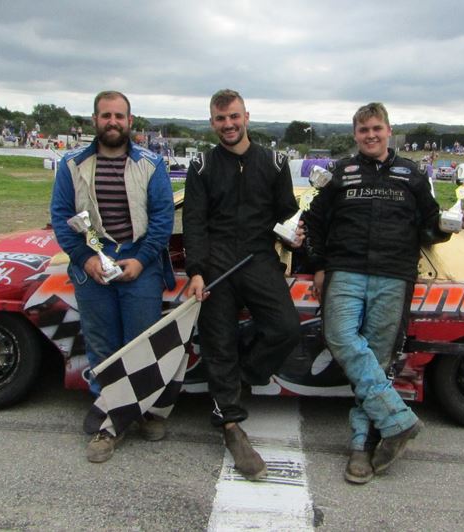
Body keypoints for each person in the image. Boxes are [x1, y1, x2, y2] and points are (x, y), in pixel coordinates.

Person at [303, 102, 461, 484]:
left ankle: (361, 445)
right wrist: (319, 265)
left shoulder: (413, 174)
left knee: (376, 359)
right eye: (363, 130)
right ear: (355, 135)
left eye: (376, 128)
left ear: (389, 131)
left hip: (394, 275)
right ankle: (399, 420)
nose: (370, 135)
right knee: (338, 336)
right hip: (345, 270)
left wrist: (448, 226)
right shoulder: (340, 172)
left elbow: (429, 227)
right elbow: (313, 222)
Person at [183, 89, 302, 481]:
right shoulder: (201, 165)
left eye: (234, 116)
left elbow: (287, 214)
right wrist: (196, 271)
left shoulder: (275, 162)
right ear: (212, 122)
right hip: (215, 262)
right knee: (218, 341)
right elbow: (194, 222)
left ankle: (241, 376)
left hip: (258, 258)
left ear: (246, 117)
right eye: (220, 119)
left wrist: (295, 235)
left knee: (286, 328)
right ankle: (231, 424)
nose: (228, 124)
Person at [50, 90, 175, 463]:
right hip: (93, 263)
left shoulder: (151, 164)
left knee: (141, 345)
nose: (113, 122)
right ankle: (110, 421)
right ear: (94, 120)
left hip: (139, 261)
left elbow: (163, 218)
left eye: (119, 116)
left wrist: (141, 260)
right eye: (106, 115)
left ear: (130, 121)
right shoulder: (71, 164)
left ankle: (145, 409)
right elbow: (61, 216)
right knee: (103, 347)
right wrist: (84, 258)